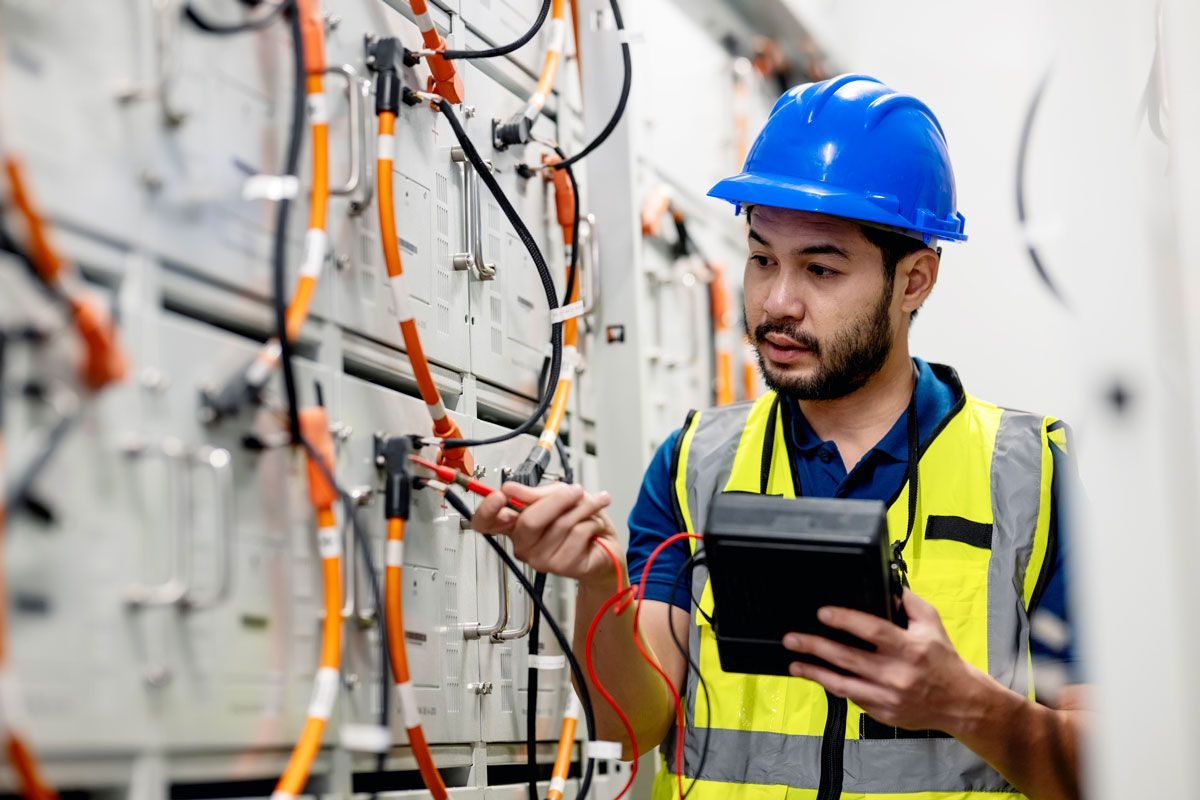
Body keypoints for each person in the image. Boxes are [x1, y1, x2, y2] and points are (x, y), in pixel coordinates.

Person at [473, 74, 1084, 800]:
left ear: (915, 280)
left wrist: (964, 703)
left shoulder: (1030, 476)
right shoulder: (694, 464)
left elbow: (1119, 771)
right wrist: (598, 585)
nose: (776, 302)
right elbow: (628, 730)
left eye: (820, 268)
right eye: (762, 258)